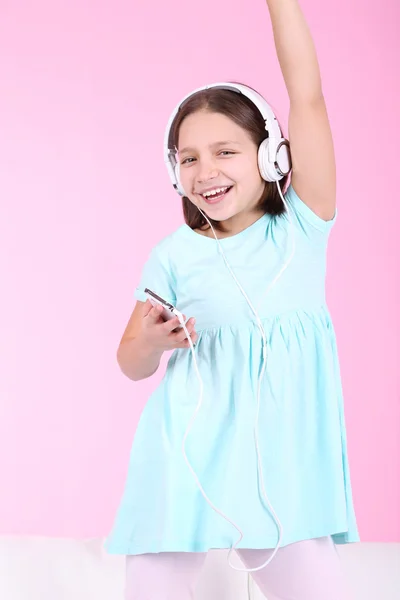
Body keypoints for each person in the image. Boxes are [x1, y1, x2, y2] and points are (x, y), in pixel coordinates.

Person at [105, 1, 359, 598]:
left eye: (225, 152)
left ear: (271, 155)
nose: (204, 172)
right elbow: (131, 362)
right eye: (188, 158)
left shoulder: (301, 226)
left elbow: (309, 95)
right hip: (183, 461)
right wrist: (147, 341)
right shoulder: (173, 254)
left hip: (279, 469)